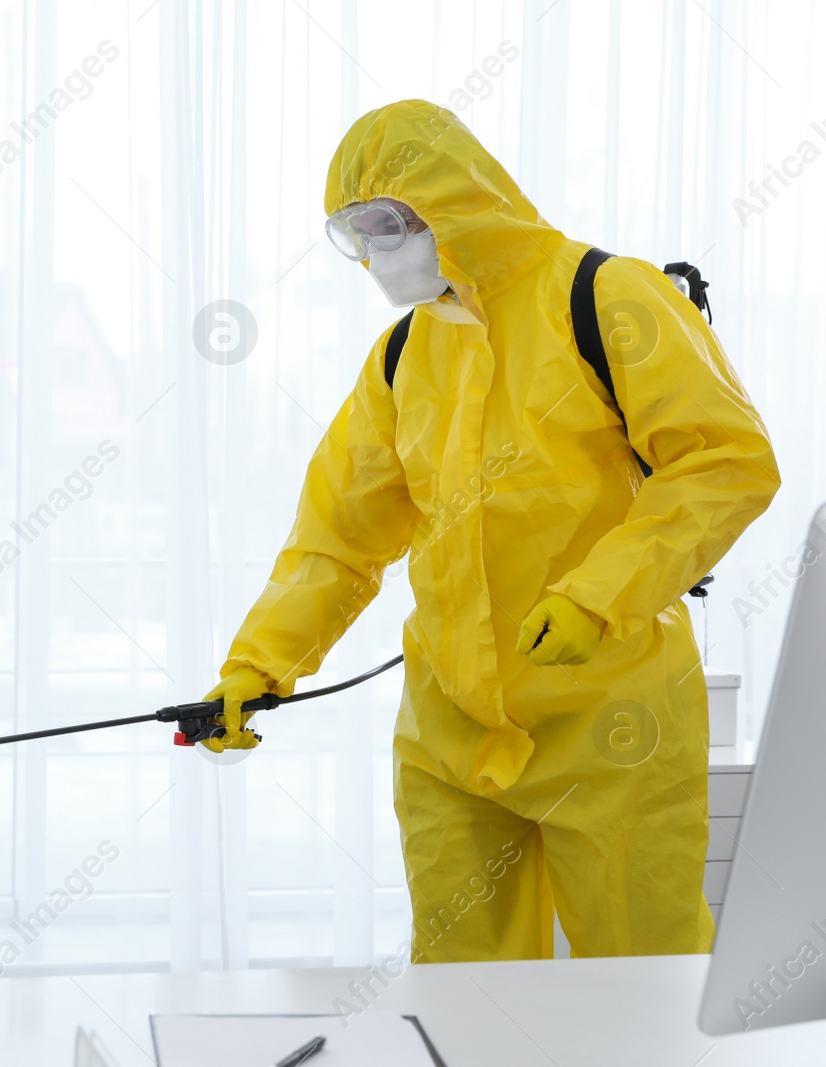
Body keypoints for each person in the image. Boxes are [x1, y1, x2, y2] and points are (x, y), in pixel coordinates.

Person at [206, 100, 780, 962]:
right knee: (462, 996)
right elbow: (338, 537)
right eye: (355, 234)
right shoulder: (403, 356)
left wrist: (599, 596)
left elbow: (727, 460)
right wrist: (257, 665)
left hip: (613, 722)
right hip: (451, 736)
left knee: (640, 987)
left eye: (388, 224)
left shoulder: (607, 295)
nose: (375, 254)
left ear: (453, 199)